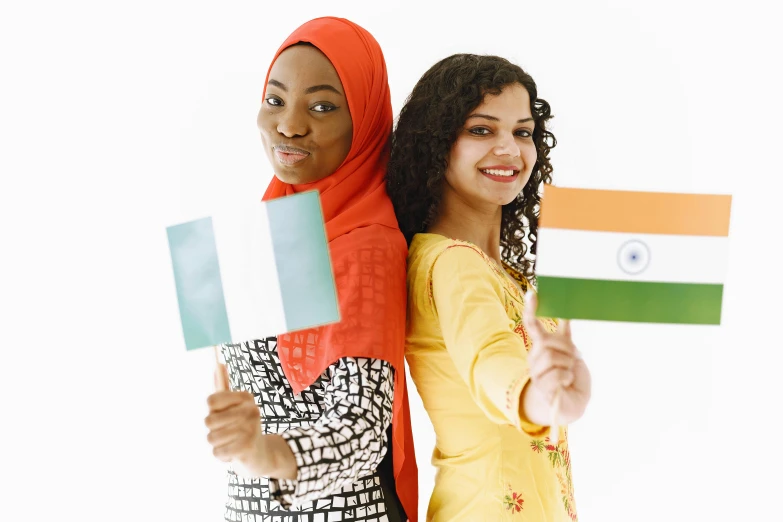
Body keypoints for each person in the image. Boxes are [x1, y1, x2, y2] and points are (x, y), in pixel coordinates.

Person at [203, 17, 418, 522]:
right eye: (275, 100)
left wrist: (268, 454)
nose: (289, 124)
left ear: (364, 120)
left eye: (321, 107)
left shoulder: (369, 245)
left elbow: (362, 429)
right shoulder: (261, 229)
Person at [386, 54, 592, 521]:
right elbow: (489, 360)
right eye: (482, 130)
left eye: (522, 132)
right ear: (437, 145)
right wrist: (539, 396)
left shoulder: (502, 271)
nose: (510, 149)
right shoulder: (453, 263)